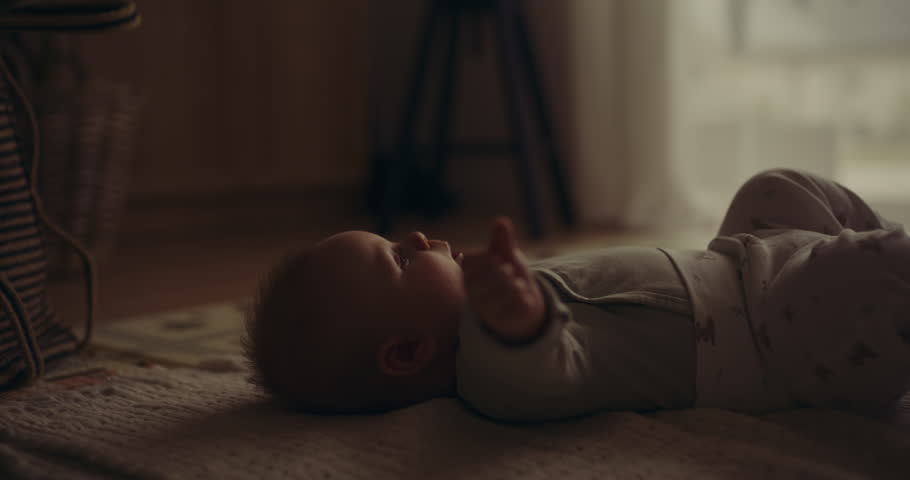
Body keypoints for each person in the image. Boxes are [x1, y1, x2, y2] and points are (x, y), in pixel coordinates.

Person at [244, 169, 910, 421]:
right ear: (408, 351)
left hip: (738, 267)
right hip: (776, 340)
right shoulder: (491, 373)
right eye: (396, 257)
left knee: (772, 190)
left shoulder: (481, 322)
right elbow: (545, 369)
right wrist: (520, 321)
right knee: (854, 276)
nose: (416, 237)